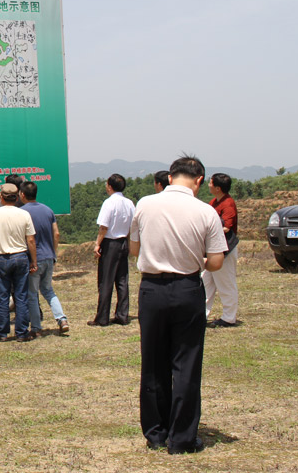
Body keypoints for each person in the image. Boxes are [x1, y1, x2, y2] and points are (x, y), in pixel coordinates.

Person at [129, 156, 227, 454]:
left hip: (152, 289)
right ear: (199, 180)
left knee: (153, 362)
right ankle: (182, 438)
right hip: (187, 289)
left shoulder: (145, 204)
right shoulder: (206, 211)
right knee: (186, 363)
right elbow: (216, 262)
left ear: (170, 178)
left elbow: (134, 247)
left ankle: (156, 433)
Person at [0, 183, 37, 342]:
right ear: (17, 196)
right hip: (20, 256)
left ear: (2, 196)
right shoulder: (24, 214)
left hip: (2, 258)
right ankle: (21, 332)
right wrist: (33, 260)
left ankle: (2, 332)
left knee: (3, 296)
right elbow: (31, 240)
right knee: (21, 296)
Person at [19, 181, 69, 336]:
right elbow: (57, 233)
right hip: (49, 257)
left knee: (32, 294)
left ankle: (36, 327)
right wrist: (54, 253)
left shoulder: (22, 213)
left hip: (34, 259)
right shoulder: (48, 210)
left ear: (22, 194)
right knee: (48, 290)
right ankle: (61, 319)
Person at [90, 174, 135, 326]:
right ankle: (122, 315)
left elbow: (103, 226)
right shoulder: (129, 203)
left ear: (110, 186)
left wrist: (97, 244)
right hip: (123, 242)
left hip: (110, 243)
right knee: (122, 280)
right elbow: (132, 226)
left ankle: (102, 317)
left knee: (106, 280)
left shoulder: (109, 203)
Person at [202, 173, 239, 328]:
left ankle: (229, 317)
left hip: (225, 249)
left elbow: (226, 227)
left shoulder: (228, 204)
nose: (208, 185)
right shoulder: (214, 202)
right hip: (213, 248)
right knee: (206, 281)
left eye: (210, 183)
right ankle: (201, 313)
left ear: (217, 188)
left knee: (225, 282)